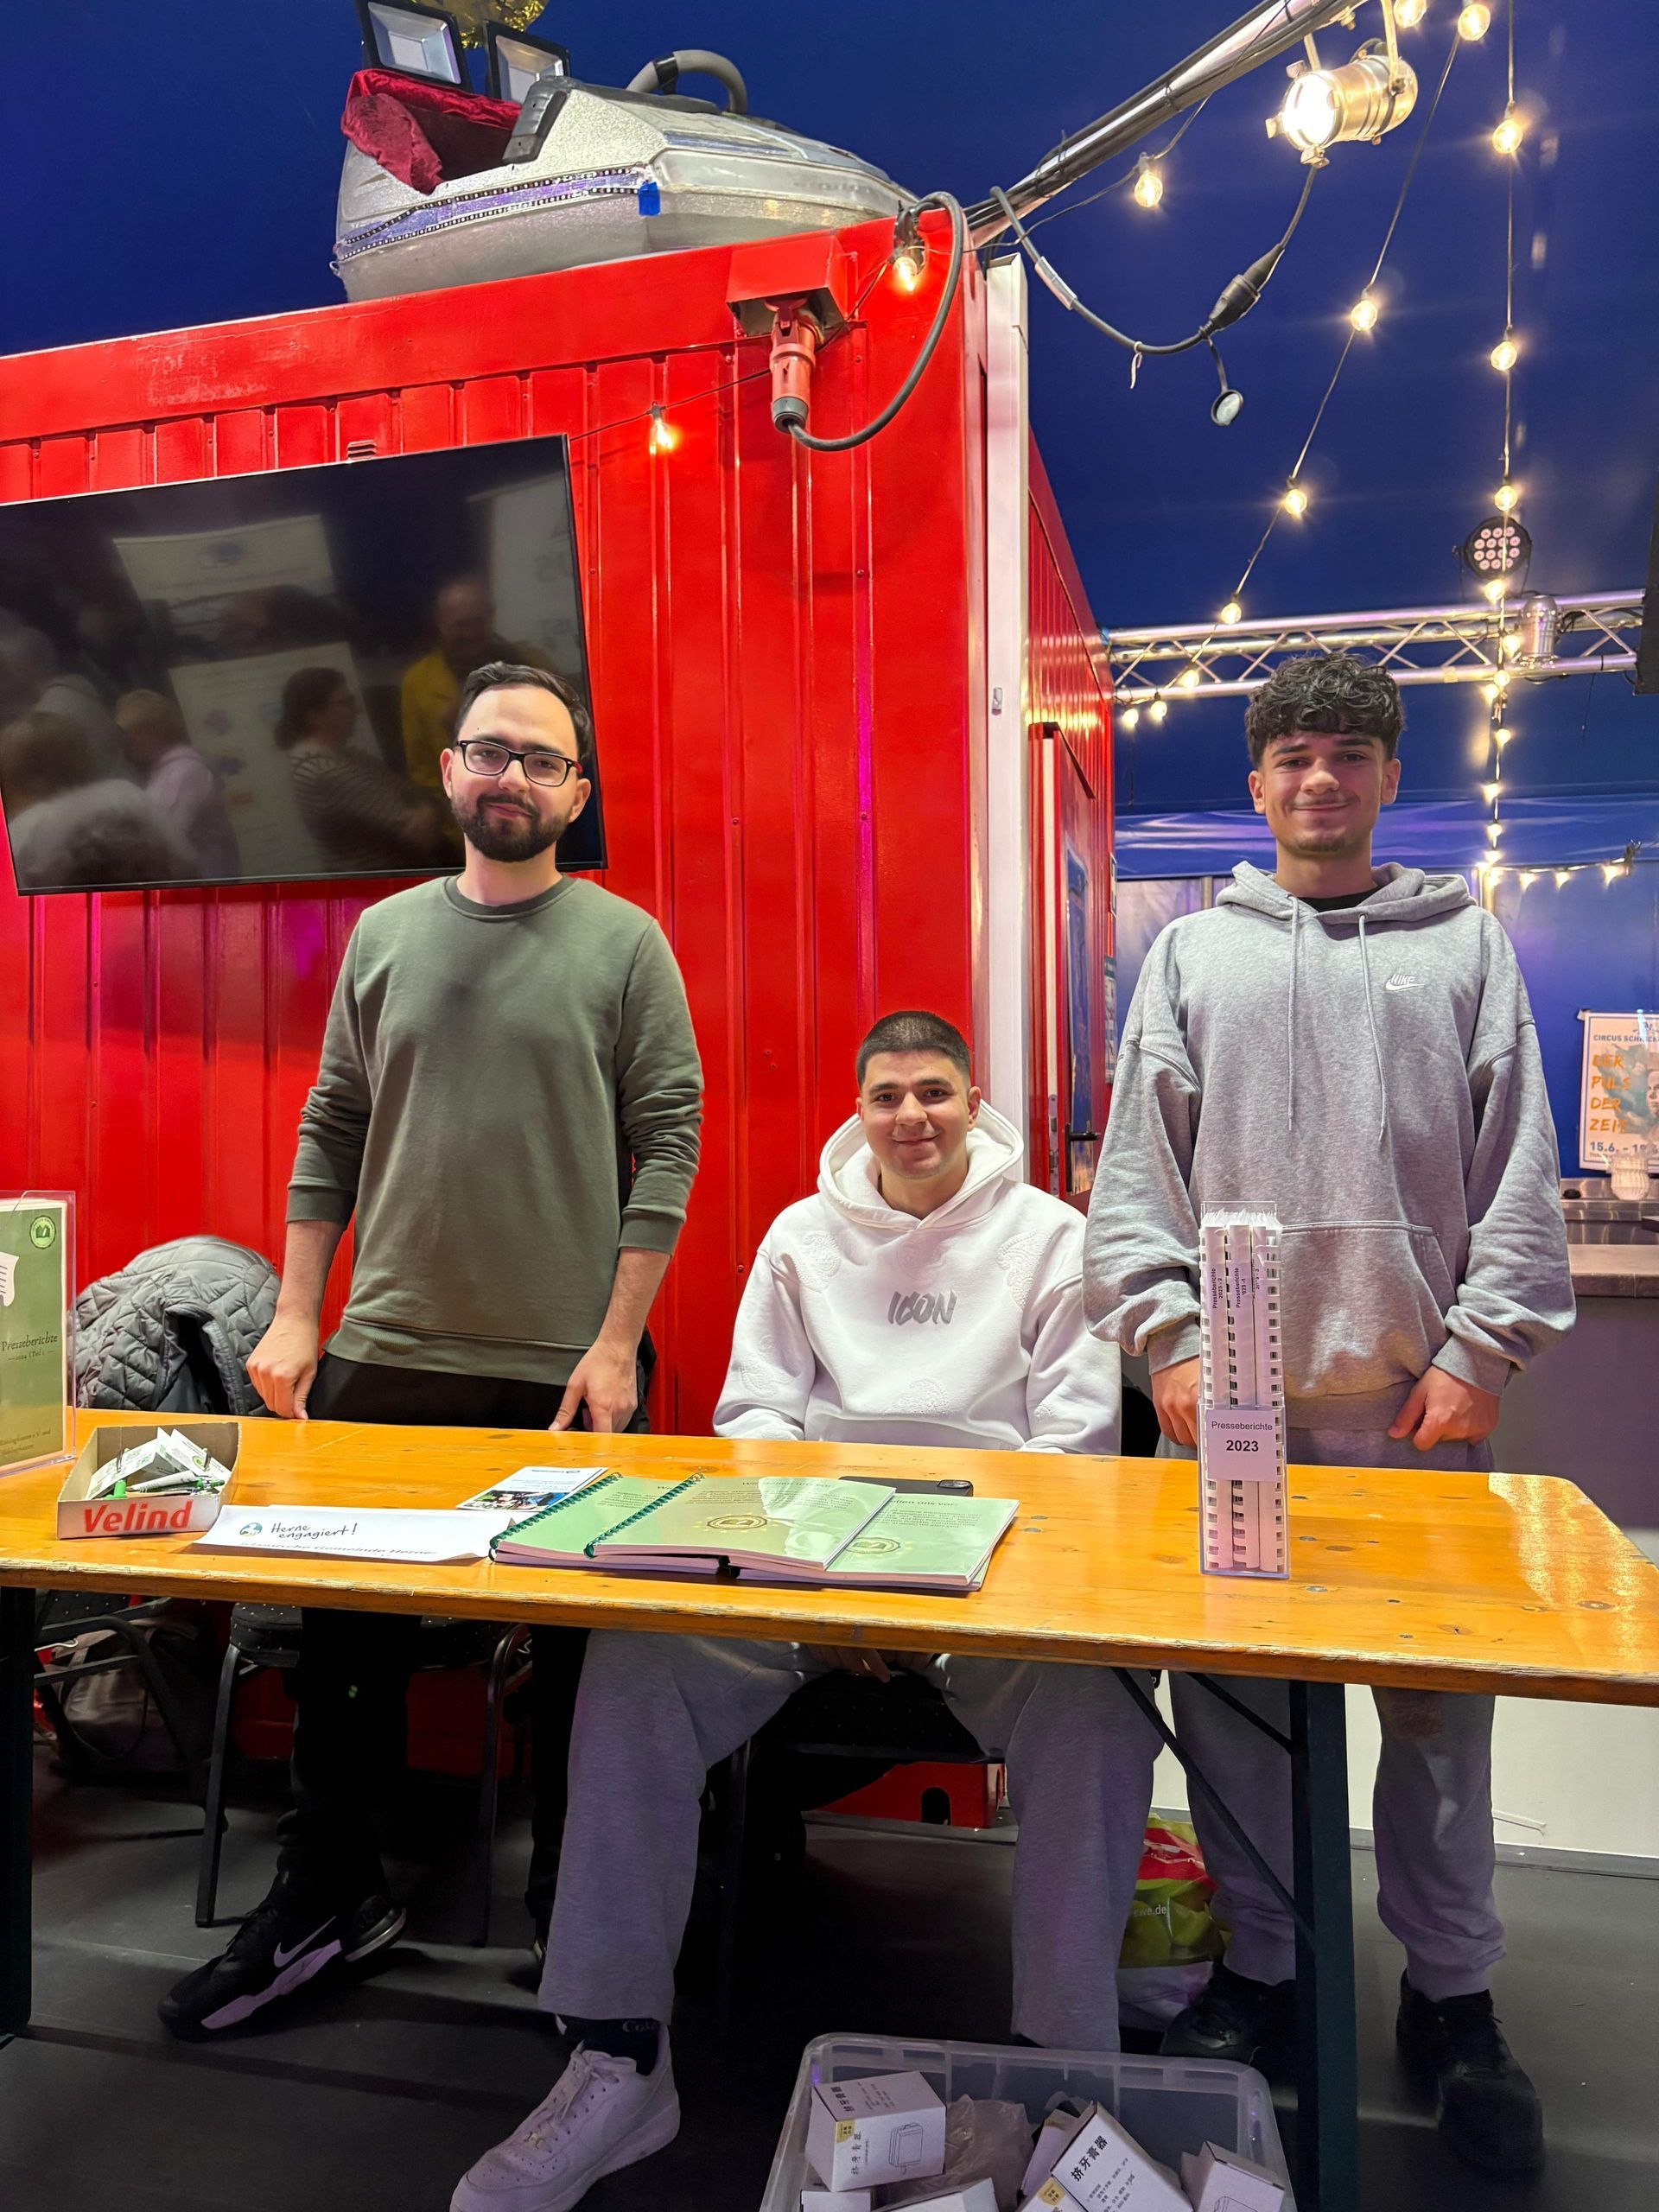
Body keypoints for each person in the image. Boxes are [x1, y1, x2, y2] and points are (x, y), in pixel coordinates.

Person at [451, 1011, 1161, 2212]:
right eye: (887, 1095)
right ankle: (618, 2055)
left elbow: (1073, 1450)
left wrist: (925, 1584)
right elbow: (760, 1427)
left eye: (933, 1091)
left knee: (1099, 1707)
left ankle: (1064, 2075)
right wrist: (824, 1574)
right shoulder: (800, 1236)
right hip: (808, 1570)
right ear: (860, 1108)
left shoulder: (1053, 1238)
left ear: (972, 1098)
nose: (911, 1116)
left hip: (993, 1580)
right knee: (631, 1660)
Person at [159, 661, 703, 2039]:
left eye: (542, 759)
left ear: (576, 793)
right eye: (491, 751)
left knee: (583, 1675)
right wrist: (298, 1312)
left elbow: (670, 1140)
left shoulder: (627, 943)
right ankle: (332, 1898)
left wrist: (619, 1343)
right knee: (345, 1656)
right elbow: (332, 1121)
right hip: (387, 1349)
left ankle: (580, 1934)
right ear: (451, 770)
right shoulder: (385, 934)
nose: (513, 775)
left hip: (564, 1371)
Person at [1084, 652, 1573, 2177]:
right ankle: (1268, 1966)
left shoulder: (1466, 949)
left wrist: (1482, 1349)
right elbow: (1137, 1181)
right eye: (1294, 754)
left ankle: (1453, 1993)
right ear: (1257, 784)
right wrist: (1170, 1345)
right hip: (1233, 1422)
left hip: (1420, 1418)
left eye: (1349, 753)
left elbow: (1518, 1168)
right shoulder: (1191, 957)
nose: (1320, 778)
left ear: (1387, 778)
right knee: (1238, 1720)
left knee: (1438, 1729)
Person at [276, 665, 450, 873]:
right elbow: (421, 837)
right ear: (315, 716)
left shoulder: (350, 756)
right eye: (345, 703)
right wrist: (433, 810)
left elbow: (412, 791)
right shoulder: (326, 771)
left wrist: (429, 809)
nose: (357, 710)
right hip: (386, 884)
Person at [1, 710, 200, 889]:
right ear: (82, 756)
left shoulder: (19, 836)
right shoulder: (127, 794)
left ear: (12, 772)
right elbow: (186, 864)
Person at [401, 576, 556, 797]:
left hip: (536, 792)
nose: (471, 633)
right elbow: (422, 770)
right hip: (464, 807)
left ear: (491, 617)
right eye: (461, 625)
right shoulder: (418, 682)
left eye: (478, 622)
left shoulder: (533, 663)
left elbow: (568, 733)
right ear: (440, 623)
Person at [115, 689, 242, 880]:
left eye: (131, 732)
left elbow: (160, 838)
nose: (126, 741)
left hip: (205, 882)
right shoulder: (170, 768)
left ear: (154, 731)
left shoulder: (182, 772)